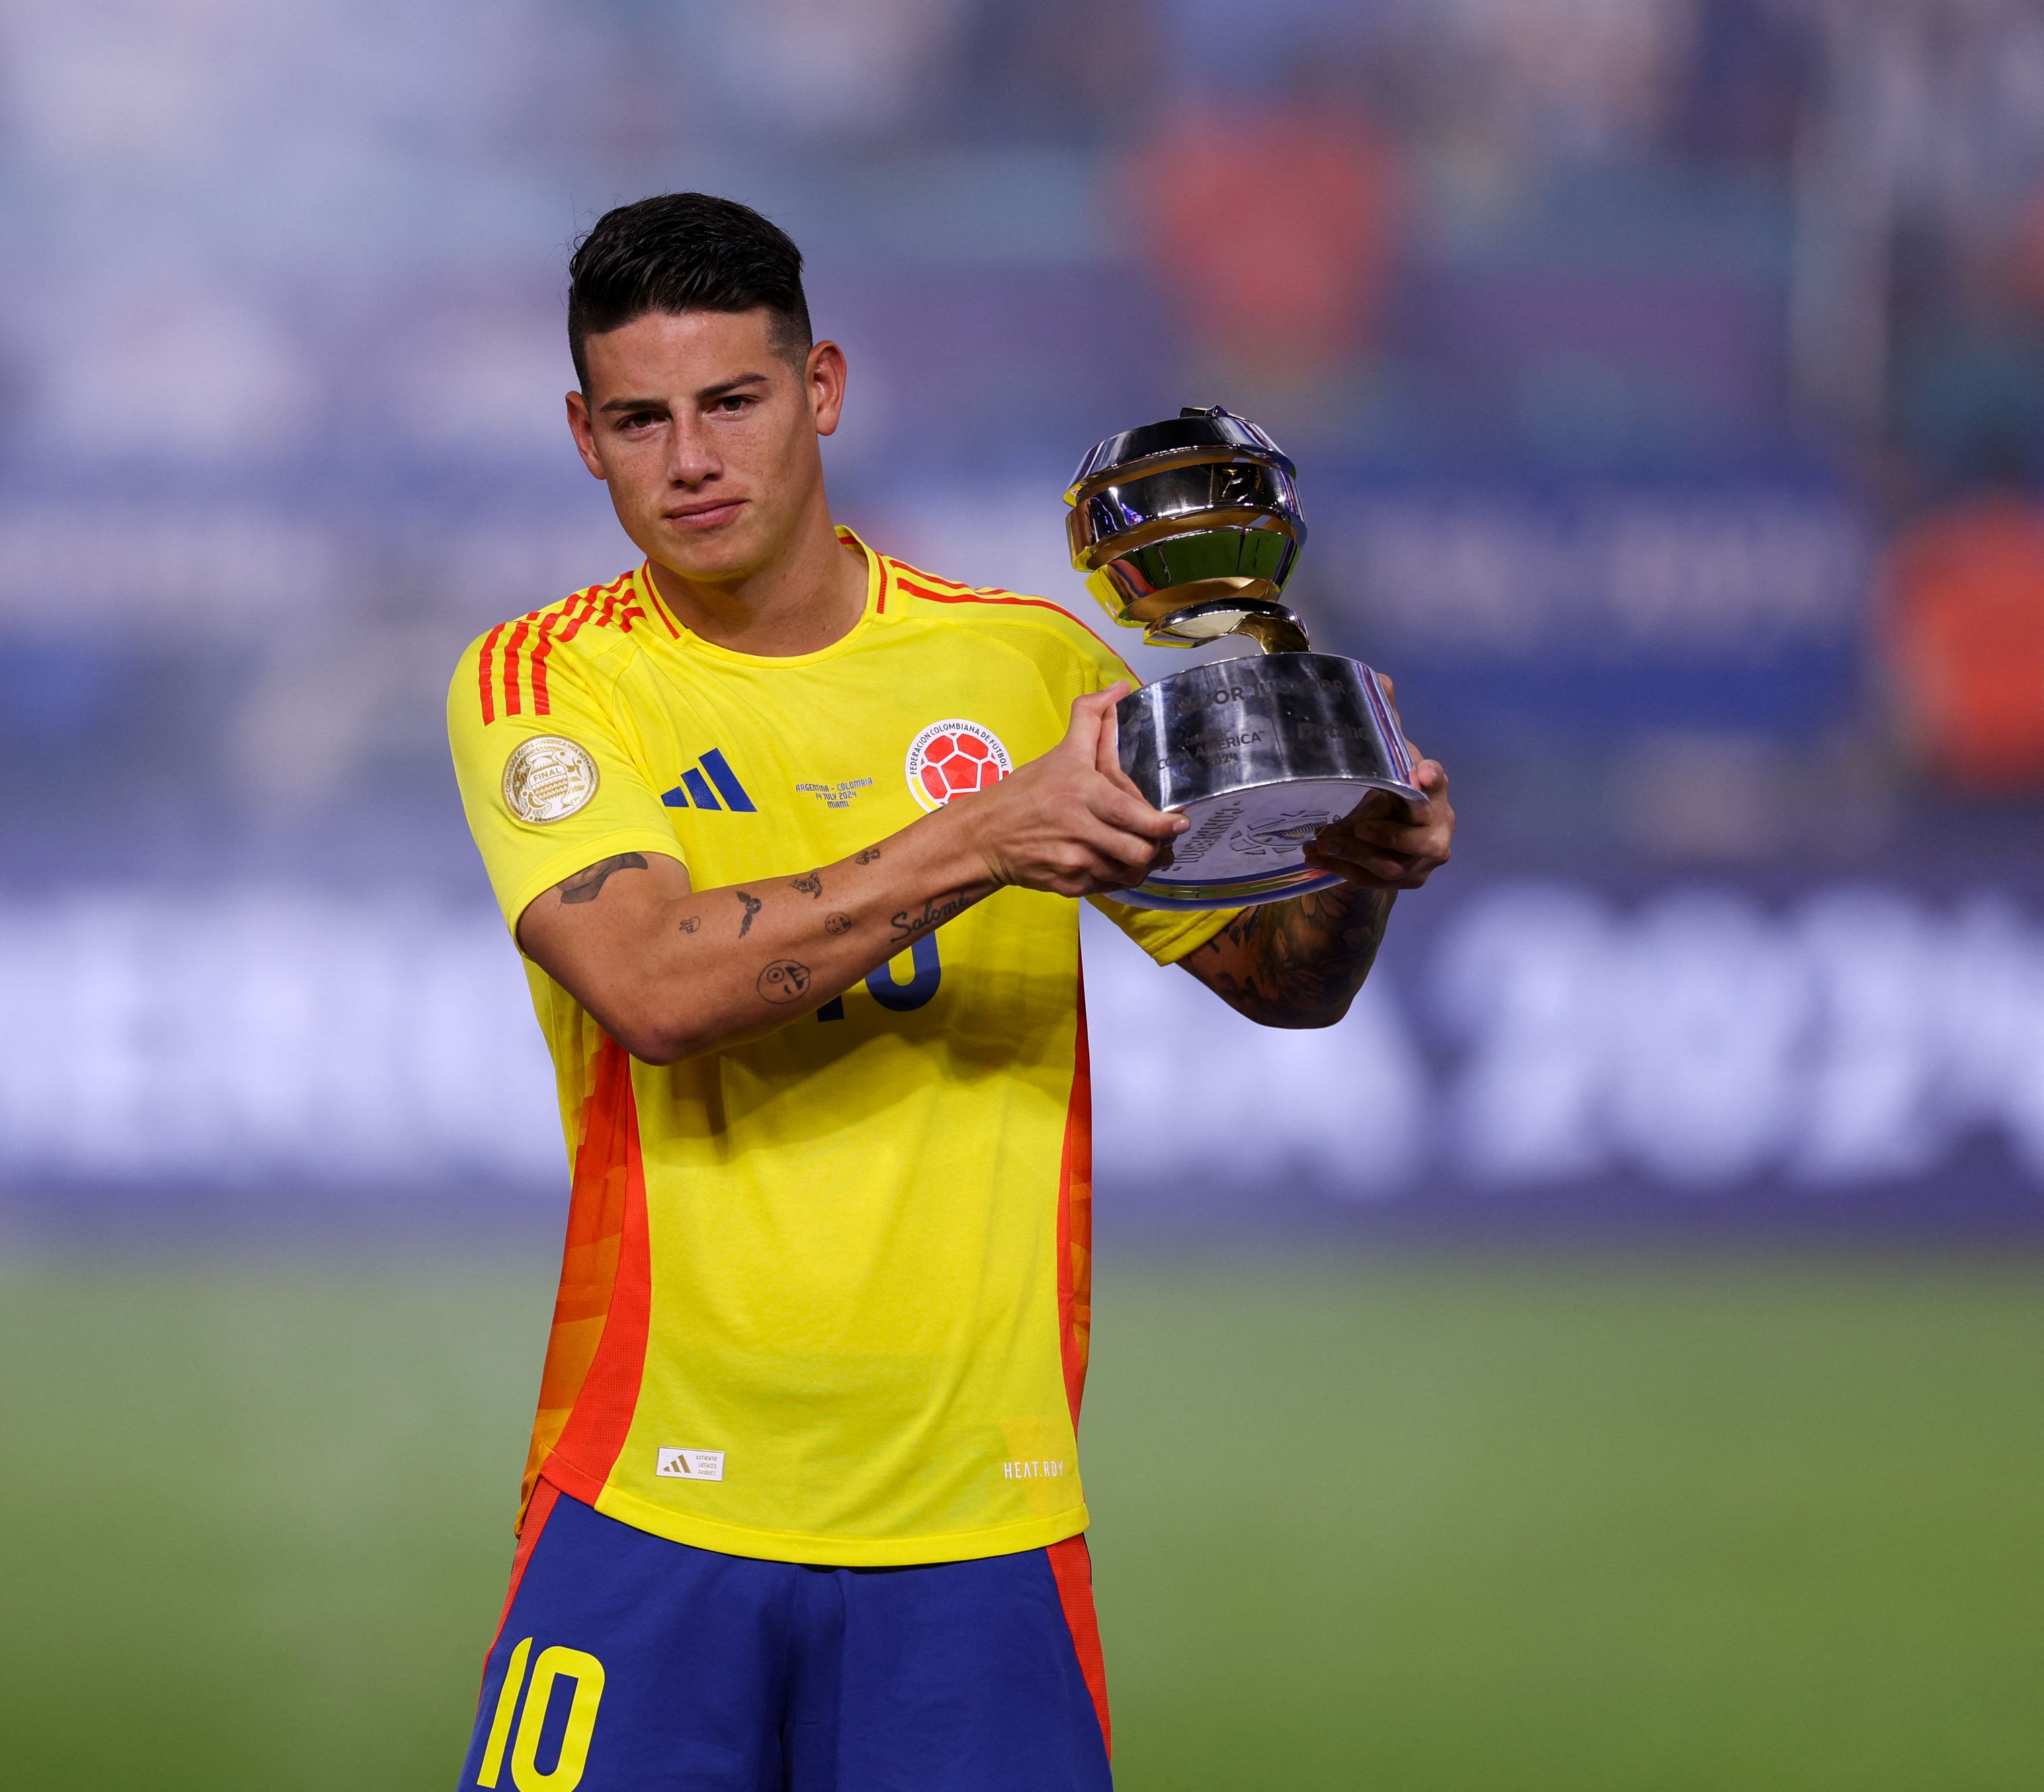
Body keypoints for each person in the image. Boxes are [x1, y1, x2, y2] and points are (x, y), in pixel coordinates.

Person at [443, 193, 1455, 1791]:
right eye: (639, 420)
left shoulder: (1025, 669)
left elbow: (1278, 983)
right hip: (646, 1500)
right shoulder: (547, 681)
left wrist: (1352, 859)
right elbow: (650, 986)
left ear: (821, 388)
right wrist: (979, 833)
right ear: (583, 436)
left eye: (733, 402)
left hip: (980, 1516)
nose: (689, 459)